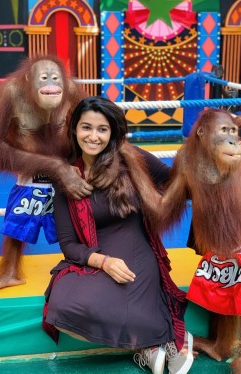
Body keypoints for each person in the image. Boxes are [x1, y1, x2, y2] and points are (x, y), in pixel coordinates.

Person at [42, 96, 194, 374]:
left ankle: (161, 340)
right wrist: (103, 262)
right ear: (75, 129)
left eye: (102, 129)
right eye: (86, 127)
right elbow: (68, 244)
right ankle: (149, 346)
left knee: (129, 297)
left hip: (137, 249)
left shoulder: (132, 158)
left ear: (112, 132)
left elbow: (177, 181)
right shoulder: (66, 175)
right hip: (97, 255)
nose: (93, 136)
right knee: (63, 308)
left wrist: (223, 156)